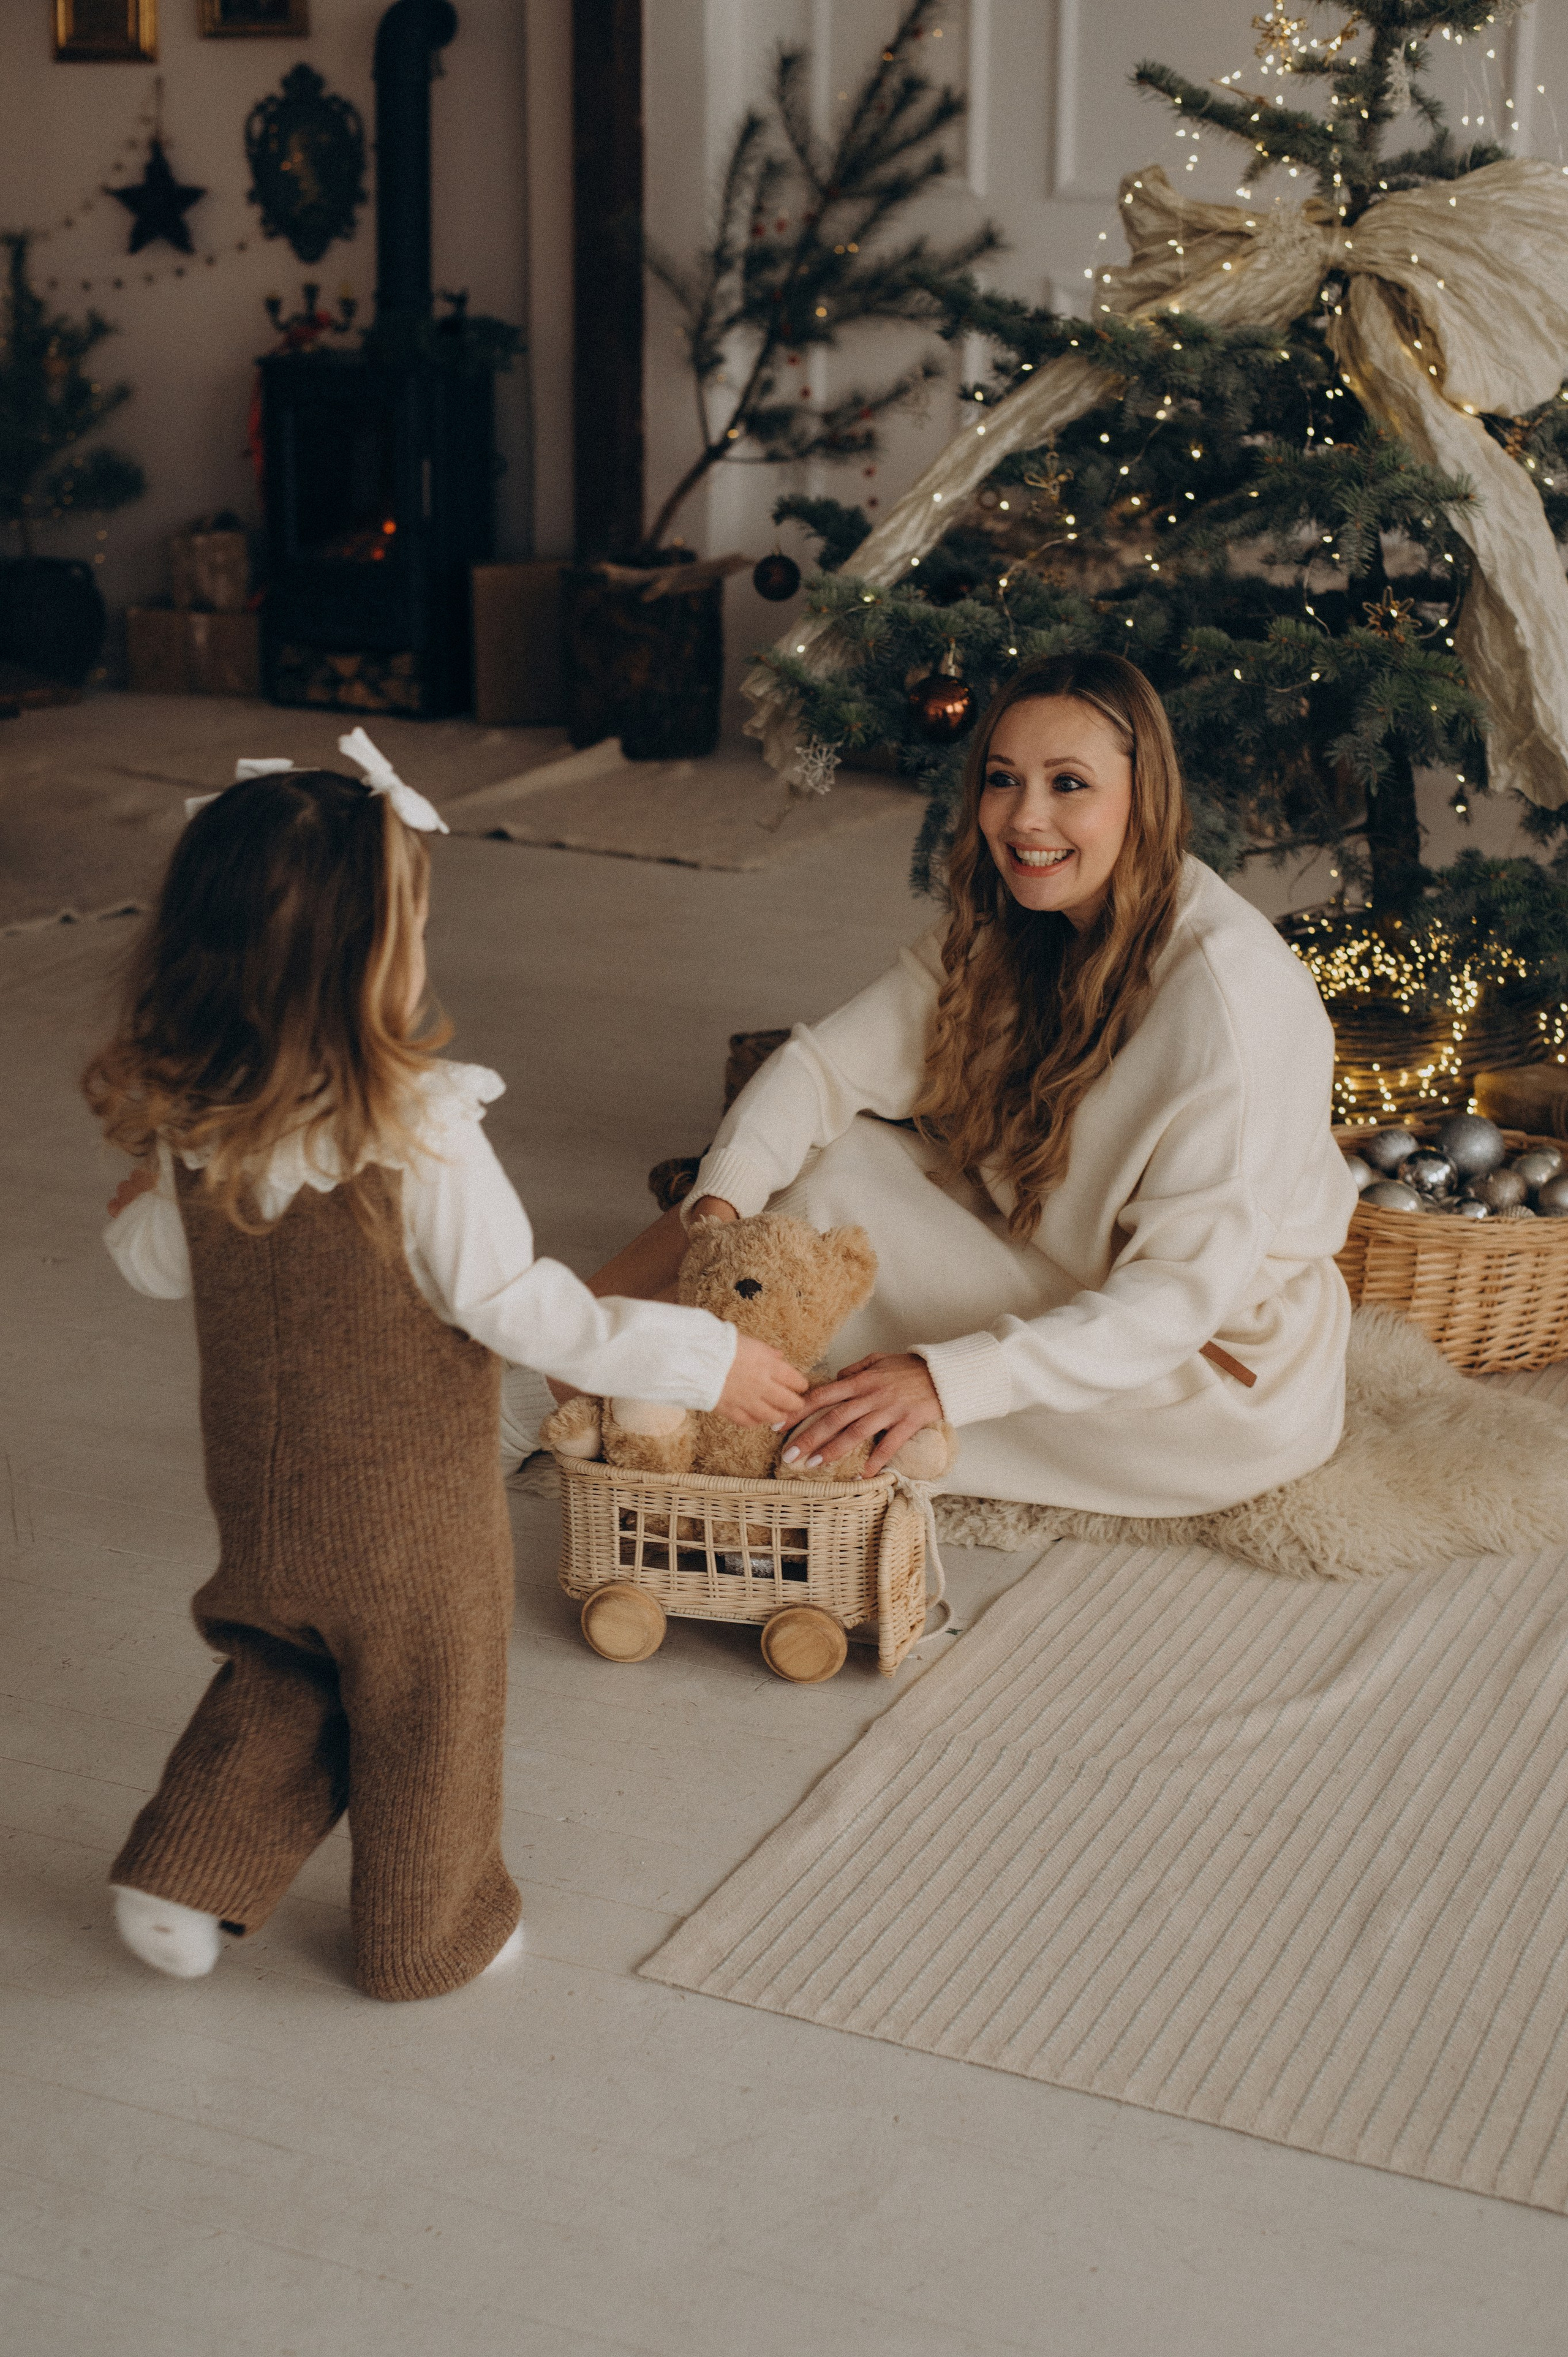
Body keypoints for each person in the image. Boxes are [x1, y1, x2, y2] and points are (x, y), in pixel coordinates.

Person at [85, 739, 805, 2001]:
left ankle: (179, 1877)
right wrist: (704, 1355)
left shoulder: (200, 1125)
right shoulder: (416, 1130)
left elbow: (154, 1264)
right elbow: (521, 1306)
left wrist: (141, 1194)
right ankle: (428, 1931)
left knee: (283, 1662)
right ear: (372, 960)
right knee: (431, 1706)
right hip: (406, 1515)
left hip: (259, 1506)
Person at [589, 652, 1358, 1515]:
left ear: (1147, 799)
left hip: (1205, 1376)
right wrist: (717, 1211)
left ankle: (621, 1380)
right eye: (1003, 779)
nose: (1026, 818)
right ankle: (591, 1330)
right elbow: (823, 1069)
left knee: (822, 1224)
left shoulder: (1232, 996)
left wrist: (947, 1378)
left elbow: (1173, 1299)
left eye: (1069, 783)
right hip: (1066, 1270)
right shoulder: (1022, 925)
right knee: (823, 1172)